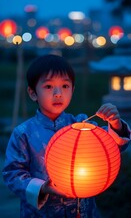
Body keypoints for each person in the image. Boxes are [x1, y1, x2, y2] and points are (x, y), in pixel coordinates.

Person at [2, 54, 131, 218]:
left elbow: (110, 149)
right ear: (33, 93)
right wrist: (43, 187)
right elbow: (12, 174)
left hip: (84, 211)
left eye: (64, 86)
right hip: (41, 213)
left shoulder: (82, 124)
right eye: (48, 87)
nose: (58, 93)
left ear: (72, 89)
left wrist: (116, 125)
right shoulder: (24, 133)